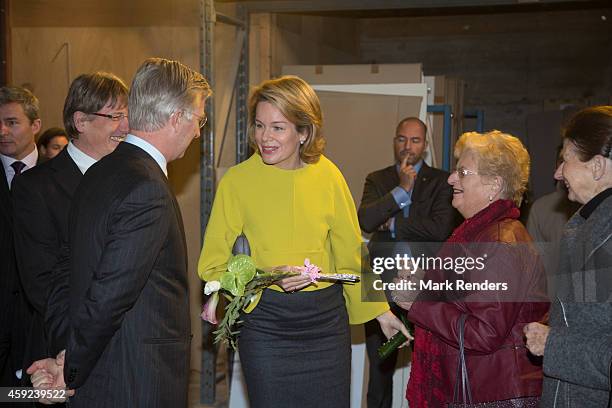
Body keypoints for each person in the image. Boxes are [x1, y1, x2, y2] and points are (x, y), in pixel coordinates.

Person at [198, 75, 408, 408]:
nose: (264, 137)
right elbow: (212, 265)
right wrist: (266, 277)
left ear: (304, 132)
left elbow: (352, 253)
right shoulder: (237, 183)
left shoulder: (329, 176)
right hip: (265, 326)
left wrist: (380, 311)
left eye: (278, 127)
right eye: (259, 125)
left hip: (325, 325)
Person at [27, 58, 211, 407]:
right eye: (198, 120)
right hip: (137, 378)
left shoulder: (99, 171)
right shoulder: (147, 187)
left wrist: (67, 353)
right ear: (176, 118)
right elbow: (110, 294)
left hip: (103, 370)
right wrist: (71, 367)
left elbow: (64, 272)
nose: (198, 132)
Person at [397, 130, 549, 406]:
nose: (451, 178)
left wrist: (419, 304)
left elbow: (484, 332)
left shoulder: (500, 242)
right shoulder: (482, 234)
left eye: (463, 172)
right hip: (481, 386)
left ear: (494, 185)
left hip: (491, 394)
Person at [12, 72, 128, 383]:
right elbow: (41, 281)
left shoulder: (130, 181)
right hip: (61, 351)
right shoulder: (35, 187)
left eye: (127, 116)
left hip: (124, 347)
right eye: (115, 116)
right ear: (81, 121)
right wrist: (81, 343)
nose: (126, 126)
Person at [357, 117, 457, 408]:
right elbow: (366, 220)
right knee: (379, 368)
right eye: (402, 139)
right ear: (394, 141)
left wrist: (392, 224)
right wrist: (401, 190)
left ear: (425, 145)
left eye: (415, 140)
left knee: (433, 365)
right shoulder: (378, 179)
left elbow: (440, 228)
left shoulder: (442, 181)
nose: (407, 146)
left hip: (427, 285)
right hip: (382, 285)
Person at [524, 106, 612, 407]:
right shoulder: (589, 227)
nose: (557, 173)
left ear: (597, 167)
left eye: (566, 160)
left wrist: (554, 344)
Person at [0, 86, 41, 387]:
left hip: (41, 325)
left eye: (12, 122)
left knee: (27, 397)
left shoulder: (61, 178)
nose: (2, 131)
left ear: (35, 125)